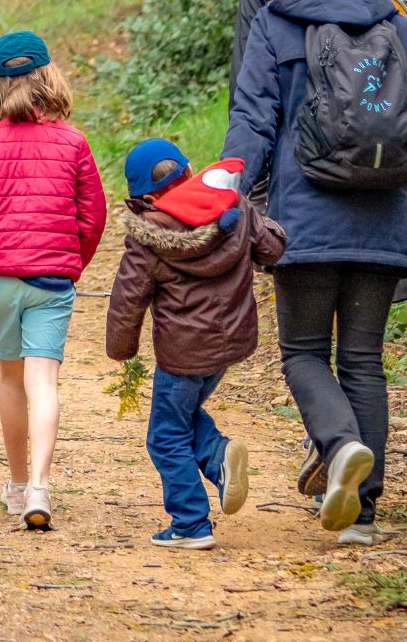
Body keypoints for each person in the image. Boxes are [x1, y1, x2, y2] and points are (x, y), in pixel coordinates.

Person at [221, 0, 407, 547]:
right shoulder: (400, 25)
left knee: (301, 353)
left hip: (302, 220)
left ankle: (341, 445)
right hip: (384, 219)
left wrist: (224, 200)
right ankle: (366, 511)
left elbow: (251, 123)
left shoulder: (277, 22)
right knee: (363, 361)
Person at [0, 32, 106, 531]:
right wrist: (70, 262)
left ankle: (17, 484)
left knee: (11, 378)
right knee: (44, 381)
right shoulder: (73, 141)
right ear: (48, 78)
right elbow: (92, 217)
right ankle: (41, 485)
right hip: (52, 276)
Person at [105, 140, 287, 550]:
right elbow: (273, 249)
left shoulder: (149, 232)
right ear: (188, 171)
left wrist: (121, 349)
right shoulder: (232, 205)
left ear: (147, 197)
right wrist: (253, 218)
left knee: (165, 435)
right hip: (230, 346)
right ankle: (214, 455)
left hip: (182, 353)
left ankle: (191, 521)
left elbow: (128, 296)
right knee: (180, 416)